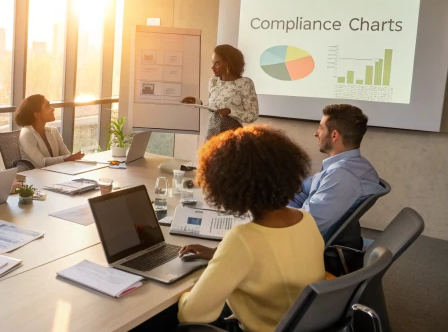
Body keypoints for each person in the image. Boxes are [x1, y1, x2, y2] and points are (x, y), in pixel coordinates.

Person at [150, 126, 325, 331]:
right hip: (300, 324)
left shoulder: (243, 239)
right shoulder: (305, 218)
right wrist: (218, 255)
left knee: (159, 317)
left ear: (228, 185)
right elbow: (276, 260)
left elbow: (192, 314)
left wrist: (186, 293)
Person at [289, 104, 383, 272]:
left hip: (308, 251)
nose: (315, 133)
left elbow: (307, 228)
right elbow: (303, 189)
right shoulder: (351, 165)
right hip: (307, 228)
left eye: (320, 127)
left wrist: (269, 216)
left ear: (334, 135)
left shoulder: (342, 177)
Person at [182, 44, 258, 139]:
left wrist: (230, 112)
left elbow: (252, 115)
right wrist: (197, 102)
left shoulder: (245, 83)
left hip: (232, 134)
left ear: (228, 63)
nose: (212, 67)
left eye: (217, 63)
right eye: (213, 63)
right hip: (212, 133)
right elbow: (212, 107)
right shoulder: (213, 81)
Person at [15, 94, 83, 169]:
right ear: (37, 114)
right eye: (47, 106)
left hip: (55, 173)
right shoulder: (27, 134)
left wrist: (72, 157)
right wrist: (67, 158)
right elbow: (42, 163)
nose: (52, 109)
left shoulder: (53, 131)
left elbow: (66, 154)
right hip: (34, 177)